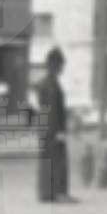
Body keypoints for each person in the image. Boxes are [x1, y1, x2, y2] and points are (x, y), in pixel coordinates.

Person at [35, 47, 71, 203]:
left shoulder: (46, 83)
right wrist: (59, 131)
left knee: (47, 159)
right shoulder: (51, 85)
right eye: (61, 64)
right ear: (55, 65)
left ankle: (46, 193)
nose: (62, 68)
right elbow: (53, 110)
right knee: (57, 160)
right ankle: (58, 193)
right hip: (52, 129)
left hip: (45, 129)